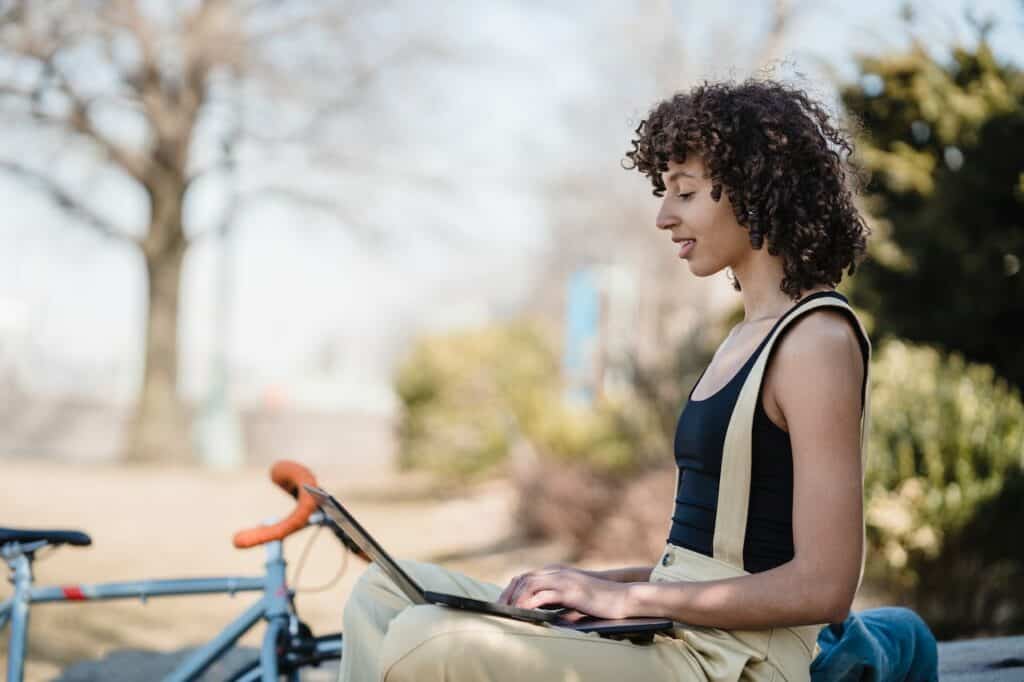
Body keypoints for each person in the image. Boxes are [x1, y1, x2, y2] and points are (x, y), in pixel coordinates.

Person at [338, 78, 877, 682]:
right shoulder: (742, 335)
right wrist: (591, 584)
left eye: (686, 192)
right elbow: (706, 565)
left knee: (427, 640)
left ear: (754, 187)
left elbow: (826, 585)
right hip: (677, 630)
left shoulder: (816, 341)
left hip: (736, 662)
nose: (663, 216)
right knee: (386, 594)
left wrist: (629, 601)